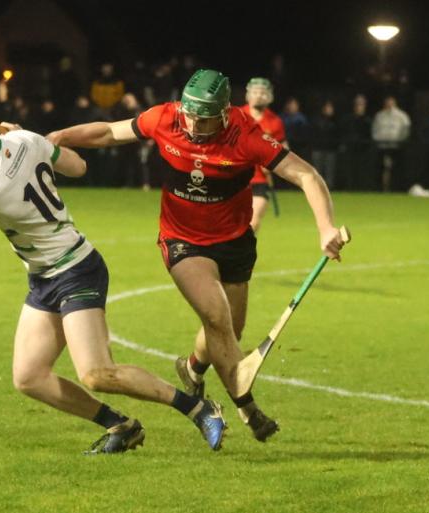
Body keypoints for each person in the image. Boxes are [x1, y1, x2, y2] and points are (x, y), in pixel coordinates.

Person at [47, 69, 347, 443]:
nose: (193, 124)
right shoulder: (166, 117)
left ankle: (192, 367)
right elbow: (109, 132)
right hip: (182, 241)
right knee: (216, 315)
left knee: (228, 330)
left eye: (203, 118)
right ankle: (247, 408)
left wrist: (325, 227)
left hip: (235, 241)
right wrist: (58, 137)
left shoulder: (246, 135)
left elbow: (306, 174)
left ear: (223, 114)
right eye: (190, 115)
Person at [0, 111, 227, 454]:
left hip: (75, 270)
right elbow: (78, 167)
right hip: (45, 277)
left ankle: (197, 407)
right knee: (29, 377)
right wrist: (30, 141)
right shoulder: (24, 140)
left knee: (97, 373)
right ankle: (120, 426)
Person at [240, 78, 288, 232]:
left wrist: (272, 165)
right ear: (248, 95)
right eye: (255, 92)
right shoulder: (237, 115)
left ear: (269, 96)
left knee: (252, 222)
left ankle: (243, 253)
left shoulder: (275, 122)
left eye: (262, 92)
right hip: (236, 177)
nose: (259, 96)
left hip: (260, 180)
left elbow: (283, 150)